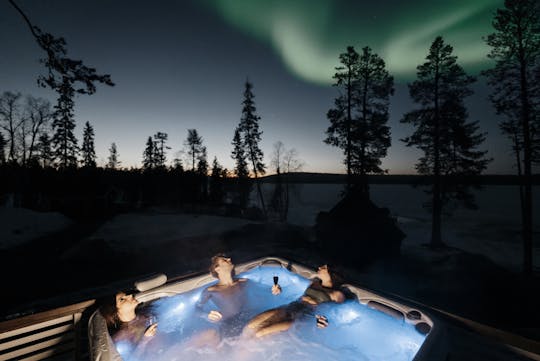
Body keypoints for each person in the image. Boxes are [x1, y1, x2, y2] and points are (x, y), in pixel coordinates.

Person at [243, 264, 345, 338]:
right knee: (250, 326)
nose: (319, 268)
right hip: (289, 307)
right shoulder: (314, 283)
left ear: (331, 273)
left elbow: (336, 313)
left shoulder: (337, 294)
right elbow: (294, 292)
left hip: (303, 316)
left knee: (260, 333)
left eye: (324, 268)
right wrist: (279, 290)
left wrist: (324, 321)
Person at [196, 254, 281, 338]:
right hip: (229, 323)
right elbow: (197, 309)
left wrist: (274, 289)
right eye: (224, 260)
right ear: (217, 269)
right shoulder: (212, 290)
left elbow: (260, 291)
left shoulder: (244, 282)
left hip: (248, 316)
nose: (229, 259)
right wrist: (207, 315)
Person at [99, 290, 158, 360]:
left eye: (127, 294)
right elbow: (131, 359)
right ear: (114, 311)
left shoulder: (147, 313)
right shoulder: (119, 339)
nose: (130, 295)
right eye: (122, 299)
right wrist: (145, 339)